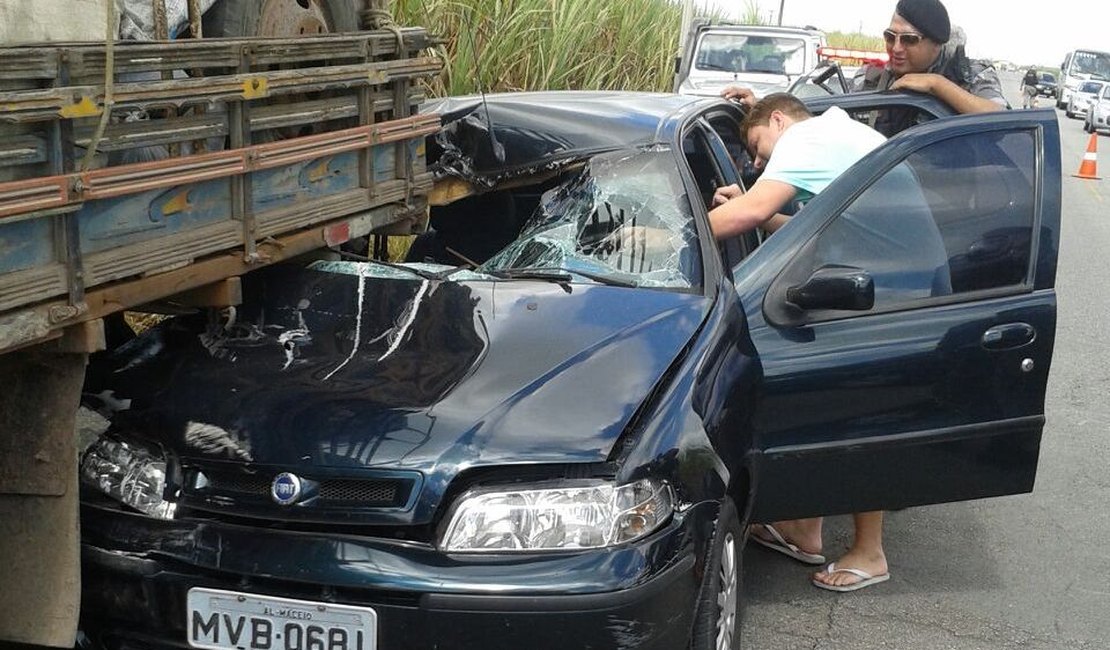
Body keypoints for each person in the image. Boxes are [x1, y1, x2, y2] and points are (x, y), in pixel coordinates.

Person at [721, 0, 1008, 136]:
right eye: (889, 37)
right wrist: (761, 106)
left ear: (936, 45)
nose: (896, 48)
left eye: (909, 40)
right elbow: (824, 112)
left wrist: (936, 85)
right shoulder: (874, 80)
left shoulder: (970, 74)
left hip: (953, 199)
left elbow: (999, 117)